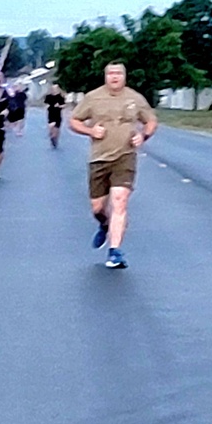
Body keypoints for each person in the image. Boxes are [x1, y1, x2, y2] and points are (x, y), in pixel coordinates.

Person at [69, 62, 157, 269]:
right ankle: (103, 223)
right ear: (105, 76)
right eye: (110, 73)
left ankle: (115, 251)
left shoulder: (135, 98)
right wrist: (90, 132)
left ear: (125, 76)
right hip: (99, 158)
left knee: (120, 200)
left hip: (124, 157)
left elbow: (151, 121)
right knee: (97, 207)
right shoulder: (93, 97)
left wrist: (143, 136)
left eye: (118, 73)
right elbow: (74, 121)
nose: (114, 77)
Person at [44, 84, 67, 148]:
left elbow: (64, 105)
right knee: (51, 127)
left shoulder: (60, 97)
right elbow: (46, 104)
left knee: (57, 129)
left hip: (58, 115)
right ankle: (52, 136)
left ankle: (55, 139)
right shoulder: (48, 96)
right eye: (53, 89)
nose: (54, 90)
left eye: (56, 88)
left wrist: (59, 106)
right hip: (51, 114)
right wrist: (47, 106)